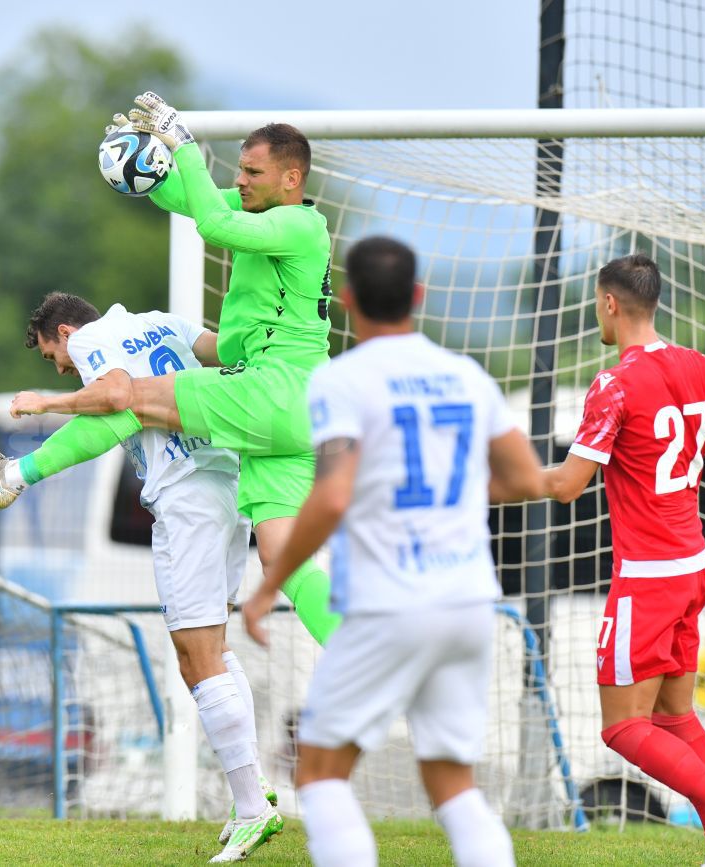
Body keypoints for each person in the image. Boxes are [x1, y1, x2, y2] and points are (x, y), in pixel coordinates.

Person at [0, 91, 341, 647]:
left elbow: (210, 225)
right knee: (286, 560)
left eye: (252, 172)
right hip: (294, 409)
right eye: (239, 169)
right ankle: (366, 666)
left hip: (275, 389)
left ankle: (14, 476)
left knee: (131, 397)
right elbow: (197, 203)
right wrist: (144, 170)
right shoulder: (263, 220)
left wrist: (184, 143)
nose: (240, 181)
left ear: (291, 179)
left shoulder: (300, 227)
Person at [241, 236, 544, 867]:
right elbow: (524, 478)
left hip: (388, 600)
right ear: (418, 296)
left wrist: (271, 585)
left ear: (347, 299)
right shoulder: (466, 374)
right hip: (466, 601)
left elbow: (330, 496)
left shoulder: (340, 380)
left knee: (321, 772)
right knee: (453, 781)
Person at [0, 292, 282, 862]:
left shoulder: (92, 341)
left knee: (194, 658)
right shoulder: (160, 323)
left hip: (184, 499)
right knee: (215, 649)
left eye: (55, 356)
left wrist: (44, 402)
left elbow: (112, 394)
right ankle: (249, 794)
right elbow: (223, 352)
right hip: (228, 489)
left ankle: (253, 806)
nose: (63, 367)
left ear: (64, 330)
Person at [542, 252, 705, 867]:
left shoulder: (614, 384)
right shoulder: (697, 365)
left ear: (609, 303)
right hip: (693, 565)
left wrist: (497, 479)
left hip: (646, 576)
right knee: (673, 718)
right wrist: (687, 444)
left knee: (620, 728)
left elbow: (566, 485)